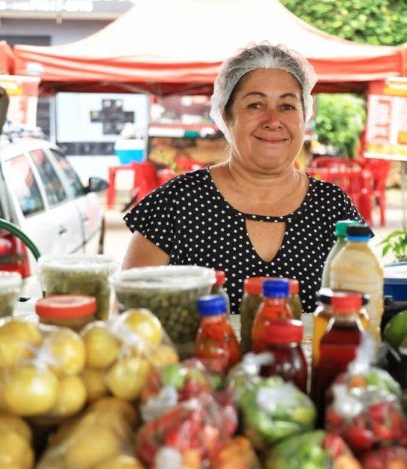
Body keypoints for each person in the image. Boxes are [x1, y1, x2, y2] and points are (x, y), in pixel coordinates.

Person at [122, 43, 365, 313]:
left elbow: (362, 307)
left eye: (287, 106)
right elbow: (130, 313)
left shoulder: (332, 207)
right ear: (226, 115)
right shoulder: (177, 201)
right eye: (255, 105)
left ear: (304, 117)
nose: (273, 120)